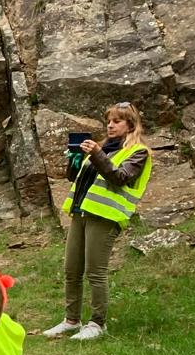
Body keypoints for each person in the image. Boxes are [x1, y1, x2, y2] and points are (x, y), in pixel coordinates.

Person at [43, 102, 154, 342]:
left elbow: (120, 177)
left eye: (117, 121)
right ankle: (71, 320)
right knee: (71, 270)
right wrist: (75, 159)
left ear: (130, 125)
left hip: (105, 217)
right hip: (81, 213)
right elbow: (74, 178)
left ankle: (97, 323)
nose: (110, 125)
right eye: (108, 121)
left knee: (95, 272)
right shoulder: (102, 148)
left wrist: (96, 154)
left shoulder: (138, 152)